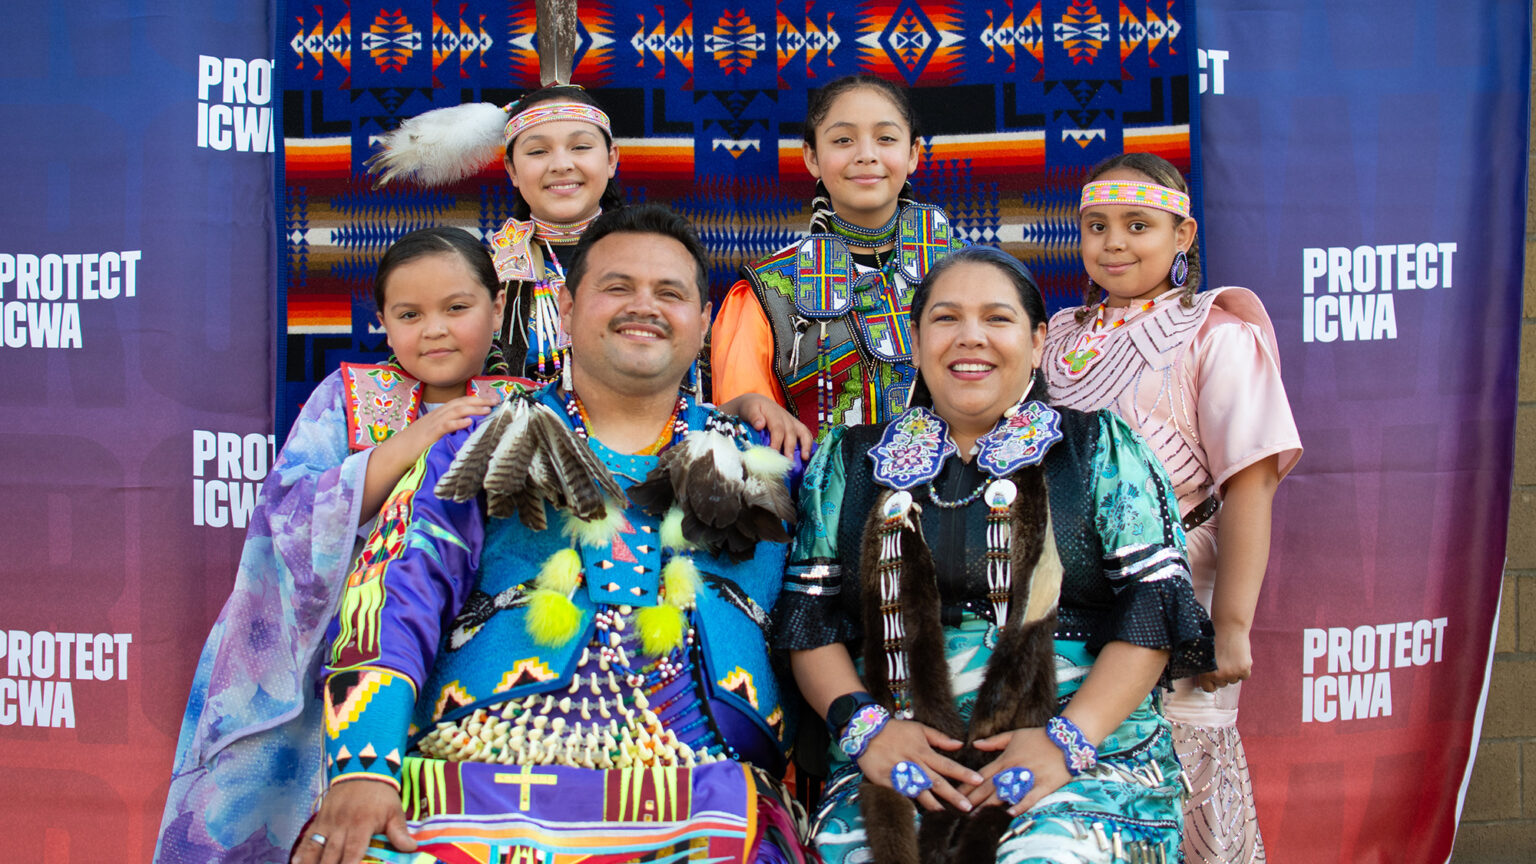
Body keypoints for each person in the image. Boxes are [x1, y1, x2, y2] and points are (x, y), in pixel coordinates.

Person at [292, 204, 813, 864]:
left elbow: (831, 626)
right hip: (471, 782)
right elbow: (394, 597)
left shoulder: (774, 462)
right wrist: (364, 768)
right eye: (617, 288)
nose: (642, 307)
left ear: (703, 323)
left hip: (707, 800)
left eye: (670, 293)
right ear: (566, 309)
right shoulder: (475, 442)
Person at [776, 245, 1215, 863]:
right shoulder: (849, 460)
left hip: (1085, 752)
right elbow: (809, 620)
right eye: (946, 318)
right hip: (902, 755)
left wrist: (1065, 742)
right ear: (916, 335)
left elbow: (1152, 611)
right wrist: (869, 731)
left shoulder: (1099, 449)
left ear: (1038, 342)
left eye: (997, 319)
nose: (970, 338)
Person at [155, 227, 529, 864]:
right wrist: (414, 441)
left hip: (467, 654)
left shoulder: (529, 406)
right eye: (409, 315)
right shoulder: (348, 398)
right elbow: (286, 519)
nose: (434, 329)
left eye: (457, 308)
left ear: (498, 307)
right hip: (332, 653)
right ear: (382, 322)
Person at [1042, 152, 1302, 863]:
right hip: (1069, 613)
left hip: (1181, 598)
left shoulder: (1216, 335)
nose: (1114, 243)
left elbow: (1250, 484)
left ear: (1182, 237)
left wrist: (1231, 626)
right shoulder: (1055, 337)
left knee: (1185, 783)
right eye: (1096, 226)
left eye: (1137, 225)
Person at [370, 85, 811, 456]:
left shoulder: (659, 267)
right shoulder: (481, 278)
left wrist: (745, 404)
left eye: (580, 147)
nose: (561, 164)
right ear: (511, 169)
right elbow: (428, 375)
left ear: (612, 158)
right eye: (538, 151)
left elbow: (697, 391)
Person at [710, 74, 964, 439]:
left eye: (886, 138)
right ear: (812, 156)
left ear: (913, 154)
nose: (865, 154)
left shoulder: (967, 274)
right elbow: (746, 437)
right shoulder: (766, 292)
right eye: (843, 140)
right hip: (820, 493)